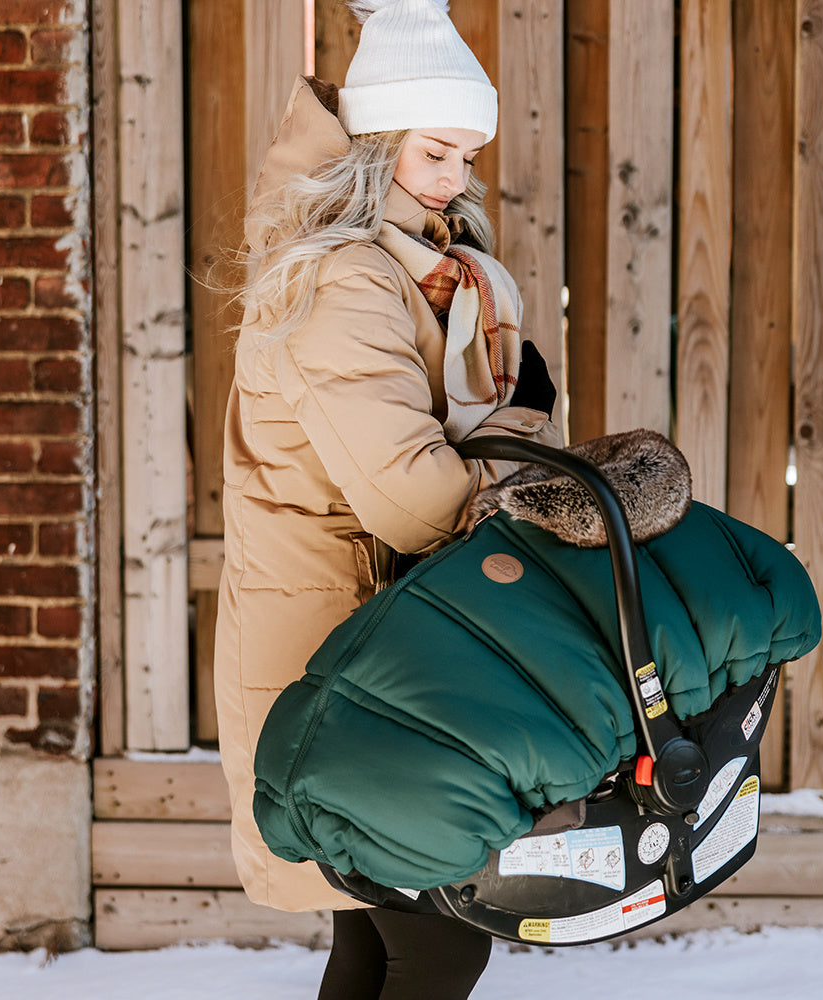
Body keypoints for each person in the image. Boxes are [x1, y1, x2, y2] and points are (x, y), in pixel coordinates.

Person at [213, 1, 561, 996]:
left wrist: (519, 419)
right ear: (374, 146)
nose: (455, 180)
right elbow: (413, 499)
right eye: (435, 153)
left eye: (464, 159)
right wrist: (528, 453)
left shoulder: (416, 270)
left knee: (377, 938)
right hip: (341, 641)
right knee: (439, 936)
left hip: (368, 639)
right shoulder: (344, 284)